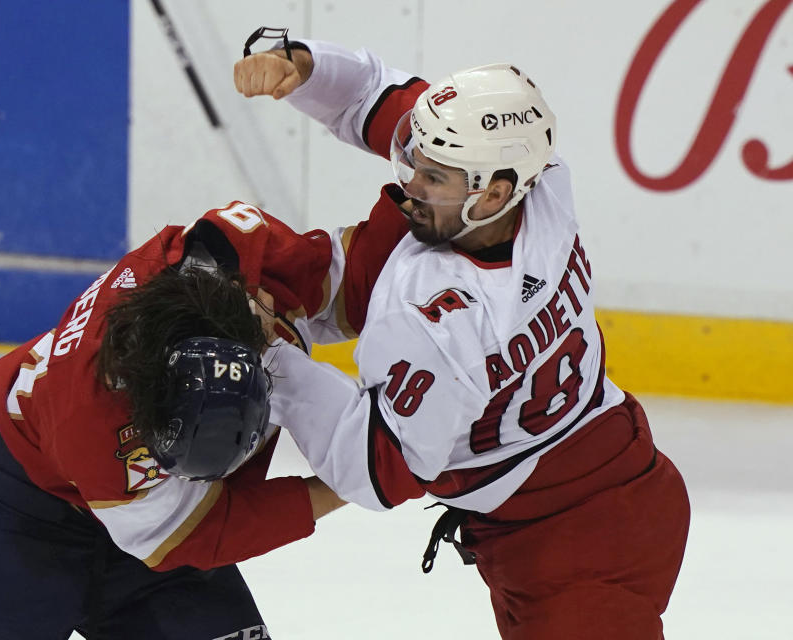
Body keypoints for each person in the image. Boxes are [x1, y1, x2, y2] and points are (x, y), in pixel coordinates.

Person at [235, 35, 690, 639]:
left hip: (568, 548)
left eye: (434, 178)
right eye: (416, 166)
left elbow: (376, 471)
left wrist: (270, 356)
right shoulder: (542, 182)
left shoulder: (437, 321)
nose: (411, 187)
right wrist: (306, 67)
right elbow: (380, 95)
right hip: (628, 483)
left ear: (494, 193)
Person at [0, 199, 409, 640]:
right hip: (15, 519)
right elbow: (195, 532)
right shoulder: (91, 424)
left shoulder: (228, 261)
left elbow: (348, 278)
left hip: (141, 529)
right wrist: (360, 478)